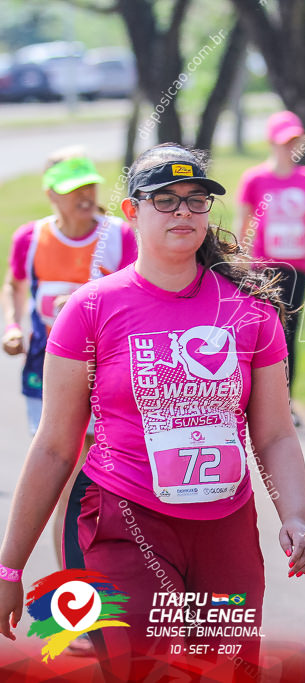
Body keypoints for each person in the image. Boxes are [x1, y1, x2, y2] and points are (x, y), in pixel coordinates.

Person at [0, 143, 305, 679]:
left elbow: (274, 436)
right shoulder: (91, 308)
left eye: (197, 201)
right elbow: (56, 447)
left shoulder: (251, 310)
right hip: (127, 522)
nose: (183, 213)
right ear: (132, 212)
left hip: (226, 529)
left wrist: (294, 515)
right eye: (165, 200)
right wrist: (10, 568)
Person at [1, 147, 136, 579]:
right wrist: (12, 325)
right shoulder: (30, 237)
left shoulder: (119, 236)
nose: (83, 194)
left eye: (88, 184)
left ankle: (114, 593)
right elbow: (15, 286)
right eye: (71, 187)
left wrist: (86, 308)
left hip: (110, 376)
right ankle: (80, 606)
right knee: (69, 486)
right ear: (51, 194)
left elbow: (140, 294)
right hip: (47, 375)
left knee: (110, 485)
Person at [236, 110, 305, 423]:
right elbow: (242, 225)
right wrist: (237, 262)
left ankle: (286, 402)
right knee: (261, 332)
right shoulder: (255, 179)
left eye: (296, 142)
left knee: (288, 334)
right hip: (261, 268)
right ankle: (252, 399)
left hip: (296, 269)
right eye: (286, 142)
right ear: (272, 143)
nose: (291, 148)